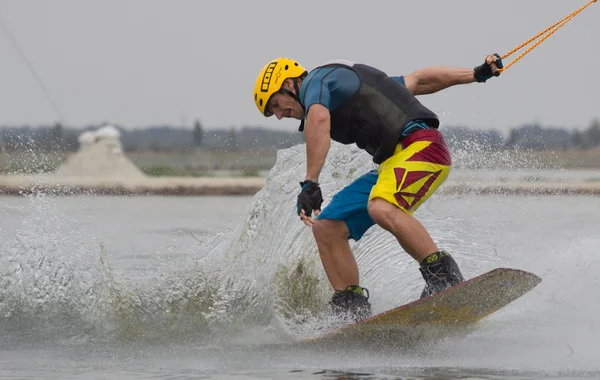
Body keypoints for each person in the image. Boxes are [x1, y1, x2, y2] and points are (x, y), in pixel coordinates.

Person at [252, 54, 503, 321]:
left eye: (276, 105)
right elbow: (419, 80)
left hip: (424, 148)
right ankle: (351, 308)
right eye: (272, 113)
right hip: (393, 163)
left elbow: (319, 121)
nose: (278, 116)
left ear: (290, 84)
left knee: (380, 207)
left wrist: (311, 182)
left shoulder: (317, 82)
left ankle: (444, 277)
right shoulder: (348, 88)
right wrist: (475, 73)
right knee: (327, 228)